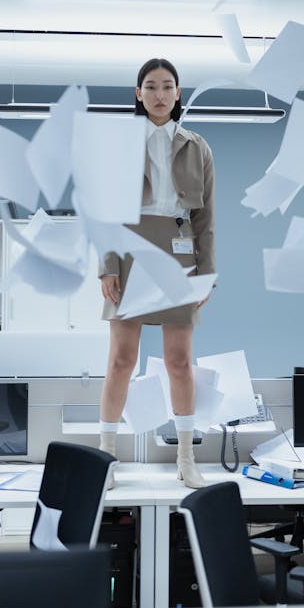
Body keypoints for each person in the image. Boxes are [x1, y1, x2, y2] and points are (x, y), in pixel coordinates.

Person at [98, 57, 216, 489]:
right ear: (138, 93)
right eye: (151, 86)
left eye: (168, 86)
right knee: (120, 360)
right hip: (129, 249)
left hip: (178, 253)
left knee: (179, 361)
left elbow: (206, 218)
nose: (160, 94)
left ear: (178, 93)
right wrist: (106, 267)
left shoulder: (198, 146)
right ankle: (106, 459)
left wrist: (209, 271)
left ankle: (187, 459)